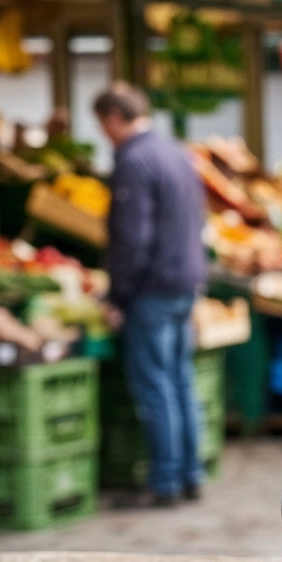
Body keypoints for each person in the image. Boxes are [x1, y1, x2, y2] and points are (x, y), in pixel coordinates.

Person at [96, 83, 208, 507]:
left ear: (112, 117)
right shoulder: (176, 152)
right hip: (184, 282)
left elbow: (131, 238)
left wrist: (118, 296)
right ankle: (190, 473)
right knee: (180, 379)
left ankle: (165, 482)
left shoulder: (133, 160)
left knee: (156, 386)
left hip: (152, 289)